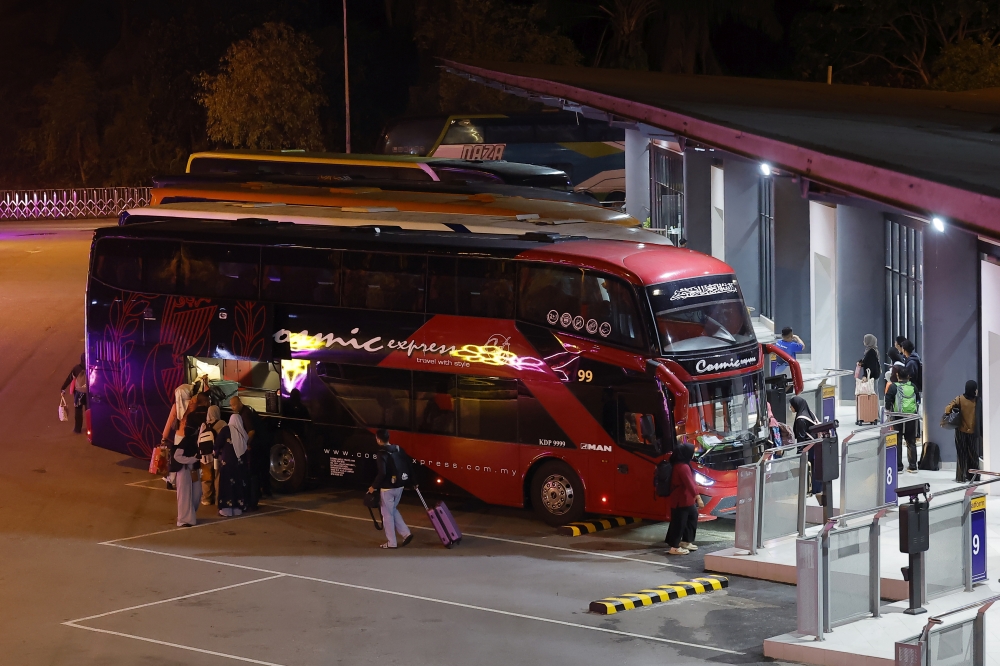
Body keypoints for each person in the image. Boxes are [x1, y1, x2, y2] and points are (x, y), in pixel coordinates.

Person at [368, 429, 413, 549]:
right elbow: (408, 464)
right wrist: (414, 481)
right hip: (400, 486)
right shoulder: (398, 449)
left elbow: (382, 473)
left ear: (378, 439)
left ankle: (391, 542)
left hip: (387, 488)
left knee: (387, 515)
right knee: (393, 509)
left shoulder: (381, 453)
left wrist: (373, 487)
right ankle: (406, 533)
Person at [663, 442, 703, 555]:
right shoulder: (682, 467)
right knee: (679, 522)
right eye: (692, 452)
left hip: (686, 499)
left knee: (691, 516)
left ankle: (685, 541)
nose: (693, 454)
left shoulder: (682, 464)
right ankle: (674, 547)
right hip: (681, 500)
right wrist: (698, 498)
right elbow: (689, 483)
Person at [230, 396, 265, 509]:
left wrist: (246, 444)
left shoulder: (245, 414)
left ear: (239, 403)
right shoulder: (245, 411)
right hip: (257, 444)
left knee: (252, 474)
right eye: (231, 406)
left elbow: (251, 431)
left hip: (254, 446)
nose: (232, 408)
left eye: (234, 405)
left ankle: (253, 498)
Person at [944, 380, 981, 482]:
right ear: (974, 389)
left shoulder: (959, 399)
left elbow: (947, 409)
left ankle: (961, 477)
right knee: (973, 454)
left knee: (961, 454)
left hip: (961, 431)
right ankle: (975, 476)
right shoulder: (978, 401)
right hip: (973, 432)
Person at [790, 396, 824, 502]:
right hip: (817, 445)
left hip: (809, 447)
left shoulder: (801, 419)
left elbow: (801, 437)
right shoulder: (809, 413)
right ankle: (817, 489)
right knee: (816, 468)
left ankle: (809, 489)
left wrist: (799, 453)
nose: (790, 408)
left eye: (791, 405)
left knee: (809, 469)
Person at [216, 407, 249, 517]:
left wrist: (216, 453)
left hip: (228, 464)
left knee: (226, 484)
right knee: (239, 485)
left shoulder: (226, 430)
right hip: (240, 464)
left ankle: (226, 509)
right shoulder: (242, 431)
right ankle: (238, 507)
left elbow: (217, 444)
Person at [171, 420, 203, 527]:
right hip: (184, 471)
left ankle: (189, 515)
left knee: (196, 493)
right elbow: (177, 456)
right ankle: (183, 520)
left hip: (193, 470)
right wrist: (191, 459)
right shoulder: (186, 442)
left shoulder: (193, 442)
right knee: (184, 495)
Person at [894, 369, 919, 473]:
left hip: (897, 417)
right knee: (911, 441)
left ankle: (899, 467)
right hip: (911, 417)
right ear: (908, 376)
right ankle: (913, 466)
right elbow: (918, 400)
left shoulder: (893, 386)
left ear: (897, 375)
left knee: (897, 441)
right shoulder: (913, 386)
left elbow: (888, 402)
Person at [60, 353, 88, 434]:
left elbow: (69, 378)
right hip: (89, 393)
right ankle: (91, 428)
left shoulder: (77, 368)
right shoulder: (92, 367)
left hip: (79, 393)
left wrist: (63, 388)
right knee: (89, 411)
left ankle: (77, 429)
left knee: (78, 410)